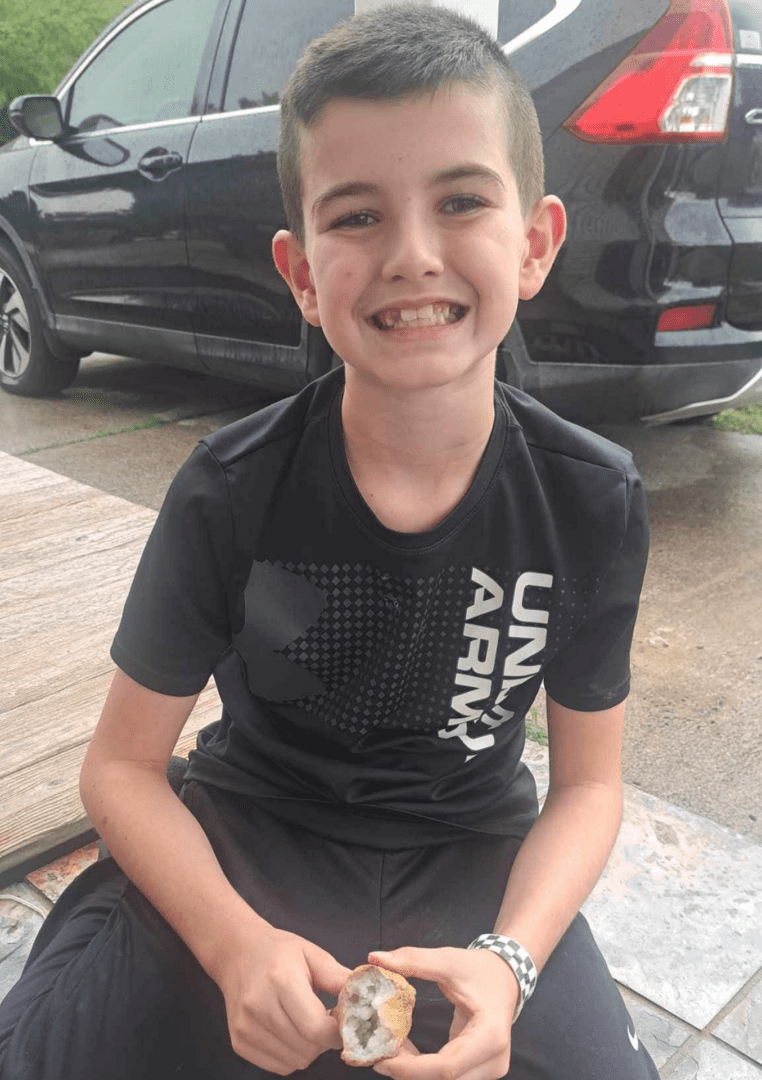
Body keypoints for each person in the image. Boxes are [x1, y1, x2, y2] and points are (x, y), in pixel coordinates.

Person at [0, 6, 658, 1079]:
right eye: (355, 218)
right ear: (301, 271)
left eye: (459, 201)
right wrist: (230, 942)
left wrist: (512, 958)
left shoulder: (591, 498)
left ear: (534, 243)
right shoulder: (231, 488)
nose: (410, 255)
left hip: (472, 852)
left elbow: (590, 786)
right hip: (248, 830)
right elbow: (120, 770)